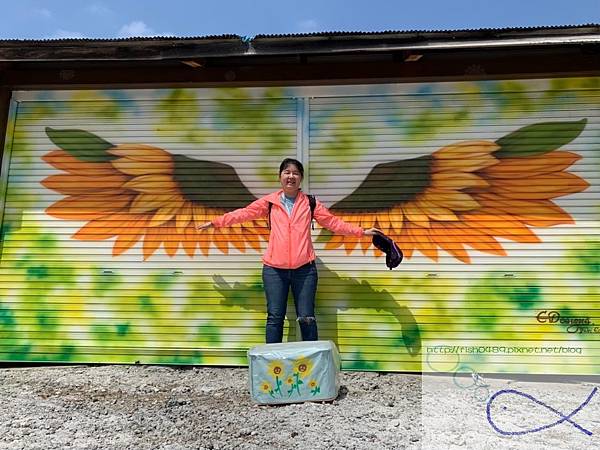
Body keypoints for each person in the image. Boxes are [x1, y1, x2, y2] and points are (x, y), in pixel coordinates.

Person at [197, 158, 380, 344]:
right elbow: (243, 214)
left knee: (307, 318)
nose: (291, 176)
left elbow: (334, 223)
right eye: (287, 172)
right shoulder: (269, 203)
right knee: (275, 318)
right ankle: (272, 364)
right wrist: (215, 222)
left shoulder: (311, 203)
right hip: (274, 270)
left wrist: (362, 232)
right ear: (280, 177)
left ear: (301, 178)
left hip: (305, 270)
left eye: (295, 173)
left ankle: (310, 365)